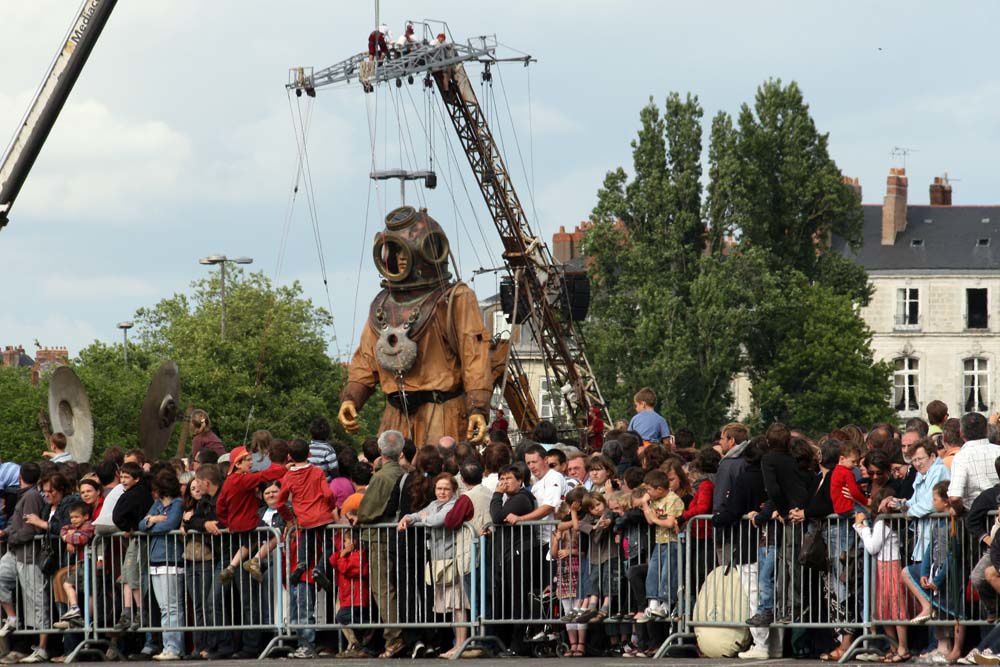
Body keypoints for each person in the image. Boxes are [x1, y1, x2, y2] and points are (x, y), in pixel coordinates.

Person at [398, 473, 465, 658]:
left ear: (453, 491)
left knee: (456, 604)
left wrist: (425, 519)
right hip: (438, 559)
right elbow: (418, 514)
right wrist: (408, 519)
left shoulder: (453, 504)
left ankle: (458, 644)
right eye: (439, 489)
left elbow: (437, 520)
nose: (442, 492)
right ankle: (451, 644)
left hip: (451, 558)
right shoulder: (434, 504)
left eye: (446, 489)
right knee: (444, 603)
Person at [902, 481, 965, 663]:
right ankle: (942, 647)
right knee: (937, 608)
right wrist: (924, 571)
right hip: (935, 570)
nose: (932, 502)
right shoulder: (937, 520)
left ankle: (955, 649)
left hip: (951, 575)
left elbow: (953, 556)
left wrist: (938, 578)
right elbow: (930, 548)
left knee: (955, 612)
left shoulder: (955, 522)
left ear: (946, 501)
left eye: (935, 499)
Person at [357, 430, 406, 659]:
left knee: (383, 588)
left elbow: (366, 511)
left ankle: (393, 637)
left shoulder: (381, 477)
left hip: (379, 538)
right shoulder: (403, 473)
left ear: (380, 450)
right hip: (395, 535)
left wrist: (357, 517)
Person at [0, 463, 50, 663]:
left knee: (36, 599)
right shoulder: (24, 494)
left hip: (27, 554)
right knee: (1, 578)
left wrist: (11, 537)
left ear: (20, 475)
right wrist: (7, 532)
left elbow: (30, 530)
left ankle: (42, 647)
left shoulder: (31, 496)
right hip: (15, 552)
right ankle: (12, 617)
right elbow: (17, 523)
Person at [854, 488, 910, 664]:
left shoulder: (882, 522)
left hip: (889, 565)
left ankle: (902, 647)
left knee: (895, 607)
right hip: (886, 564)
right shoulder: (888, 522)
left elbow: (872, 546)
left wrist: (860, 527)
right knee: (885, 608)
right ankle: (894, 647)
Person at [138, 471, 185, 661]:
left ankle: (173, 647)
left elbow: (170, 525)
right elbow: (141, 525)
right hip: (156, 560)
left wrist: (151, 526)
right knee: (165, 607)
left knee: (172, 607)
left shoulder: (177, 504)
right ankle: (168, 646)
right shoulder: (157, 506)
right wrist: (152, 520)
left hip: (171, 560)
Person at [489, 464, 536, 655]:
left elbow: (497, 516)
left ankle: (518, 644)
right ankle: (505, 643)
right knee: (505, 597)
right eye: (502, 478)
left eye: (509, 479)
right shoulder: (509, 499)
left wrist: (496, 495)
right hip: (507, 554)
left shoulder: (522, 498)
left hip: (519, 553)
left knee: (518, 598)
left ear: (520, 481)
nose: (504, 482)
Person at [111, 461, 154, 635]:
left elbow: (118, 515)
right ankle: (128, 611)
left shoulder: (135, 494)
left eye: (127, 477)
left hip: (139, 538)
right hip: (136, 537)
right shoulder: (137, 492)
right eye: (121, 476)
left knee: (133, 573)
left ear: (136, 479)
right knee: (127, 575)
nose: (123, 480)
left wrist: (128, 527)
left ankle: (140, 612)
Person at [637, 469, 683, 621]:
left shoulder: (672, 499)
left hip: (673, 542)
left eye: (650, 490)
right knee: (653, 571)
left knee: (667, 573)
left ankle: (666, 604)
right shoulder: (655, 500)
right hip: (660, 541)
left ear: (660, 489)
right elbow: (650, 520)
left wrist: (656, 519)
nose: (648, 493)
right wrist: (645, 504)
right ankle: (653, 603)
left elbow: (669, 522)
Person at [329, 529, 372, 658]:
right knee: (345, 619)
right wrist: (342, 554)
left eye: (346, 541)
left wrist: (342, 556)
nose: (344, 544)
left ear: (353, 542)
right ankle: (358, 644)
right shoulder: (347, 554)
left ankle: (369, 628)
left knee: (342, 617)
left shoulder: (360, 554)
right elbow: (332, 560)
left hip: (356, 597)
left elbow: (346, 569)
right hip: (347, 596)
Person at [948, 412, 1000, 513]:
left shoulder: (961, 457)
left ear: (961, 433)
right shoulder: (998, 450)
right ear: (986, 430)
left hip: (974, 517)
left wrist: (961, 511)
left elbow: (954, 497)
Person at [53, 501, 94, 629]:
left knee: (86, 591)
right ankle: (75, 611)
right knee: (68, 584)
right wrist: (69, 538)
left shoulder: (89, 526)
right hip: (81, 564)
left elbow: (82, 538)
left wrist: (69, 538)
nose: (73, 520)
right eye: (72, 517)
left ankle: (83, 616)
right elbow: (63, 530)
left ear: (85, 517)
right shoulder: (73, 528)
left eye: (76, 517)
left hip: (89, 563)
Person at [713, 422, 751, 512]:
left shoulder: (727, 465)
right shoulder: (751, 459)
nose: (720, 442)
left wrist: (718, 517)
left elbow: (721, 496)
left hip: (728, 519)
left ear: (731, 441)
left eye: (722, 439)